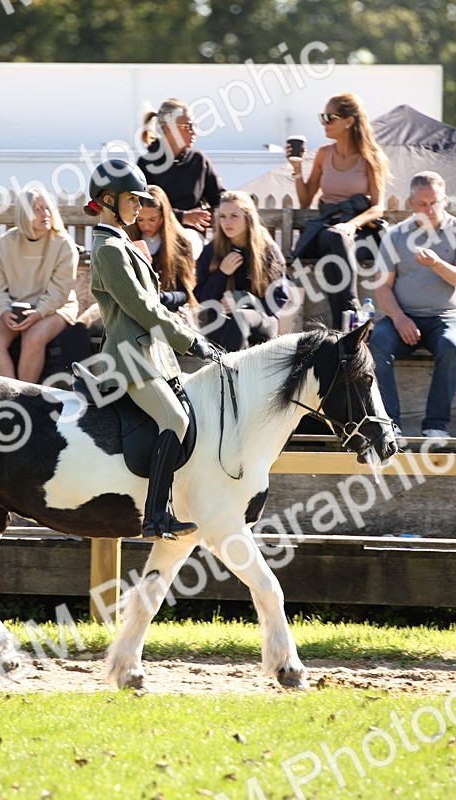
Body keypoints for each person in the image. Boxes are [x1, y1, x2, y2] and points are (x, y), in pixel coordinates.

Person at [85, 159, 215, 539]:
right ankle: (156, 515)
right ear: (108, 200)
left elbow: (155, 304)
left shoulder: (122, 243)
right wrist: (189, 340)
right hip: (128, 358)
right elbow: (141, 308)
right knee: (175, 420)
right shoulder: (108, 248)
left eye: (141, 200)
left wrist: (187, 334)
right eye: (133, 199)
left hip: (153, 355)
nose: (140, 207)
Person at [368, 171, 456, 439]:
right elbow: (382, 286)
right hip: (403, 317)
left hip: (448, 317)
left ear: (445, 200)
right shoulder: (395, 236)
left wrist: (437, 265)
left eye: (435, 203)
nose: (430, 210)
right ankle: (389, 426)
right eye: (422, 204)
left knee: (452, 347)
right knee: (376, 345)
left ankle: (435, 425)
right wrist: (398, 318)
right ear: (410, 203)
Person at [290, 92, 390, 331]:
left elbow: (378, 206)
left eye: (329, 117)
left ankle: (340, 323)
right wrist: (296, 169)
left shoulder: (371, 158)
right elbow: (305, 201)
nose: (323, 123)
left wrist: (352, 225)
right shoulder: (324, 154)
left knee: (336, 248)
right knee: (334, 237)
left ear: (348, 121)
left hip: (360, 233)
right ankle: (352, 312)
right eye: (322, 117)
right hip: (326, 229)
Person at [0, 187, 79, 383]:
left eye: (47, 208)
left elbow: (60, 292)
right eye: (37, 209)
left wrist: (40, 312)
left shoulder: (63, 244)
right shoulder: (4, 244)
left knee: (33, 338)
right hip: (13, 306)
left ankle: (25, 396)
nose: (45, 214)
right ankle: (10, 395)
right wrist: (3, 310)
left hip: (54, 308)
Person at [193, 191, 289, 352]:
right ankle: (237, 372)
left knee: (240, 316)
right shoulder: (212, 250)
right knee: (224, 325)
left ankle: (230, 372)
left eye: (234, 216)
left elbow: (280, 297)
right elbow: (202, 298)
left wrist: (245, 300)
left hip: (262, 319)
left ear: (248, 217)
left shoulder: (267, 249)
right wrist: (222, 274)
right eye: (222, 216)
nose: (227, 222)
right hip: (222, 319)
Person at [136, 98, 225, 255]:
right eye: (187, 126)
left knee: (185, 244)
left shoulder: (199, 161)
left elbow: (219, 198)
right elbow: (142, 207)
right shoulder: (146, 163)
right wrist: (183, 216)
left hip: (190, 235)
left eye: (194, 126)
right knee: (147, 250)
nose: (194, 131)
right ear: (167, 129)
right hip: (154, 233)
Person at [124, 185, 197, 313]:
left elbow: (186, 293)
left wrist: (162, 297)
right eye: (140, 220)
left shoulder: (181, 242)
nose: (146, 225)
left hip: (167, 311)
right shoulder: (126, 238)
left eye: (153, 219)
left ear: (164, 216)